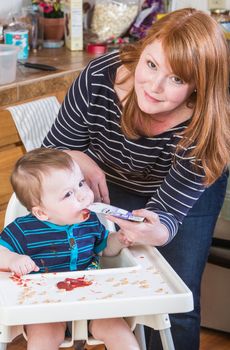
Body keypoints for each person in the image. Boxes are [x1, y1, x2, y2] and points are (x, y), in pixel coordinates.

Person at [42, 7, 230, 350]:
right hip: (106, 180)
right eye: (151, 64)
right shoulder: (100, 77)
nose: (154, 87)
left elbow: (166, 222)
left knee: (175, 292)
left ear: (197, 88)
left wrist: (152, 228)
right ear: (142, 51)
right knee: (100, 281)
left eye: (176, 79)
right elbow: (50, 155)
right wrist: (78, 157)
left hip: (184, 196)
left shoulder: (205, 128)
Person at [0, 148, 140, 350]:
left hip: (93, 301)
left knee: (119, 331)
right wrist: (13, 260)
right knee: (43, 338)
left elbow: (104, 248)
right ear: (42, 212)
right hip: (44, 307)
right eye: (68, 194)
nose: (83, 195)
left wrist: (119, 239)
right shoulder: (23, 230)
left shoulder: (90, 221)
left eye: (81, 183)